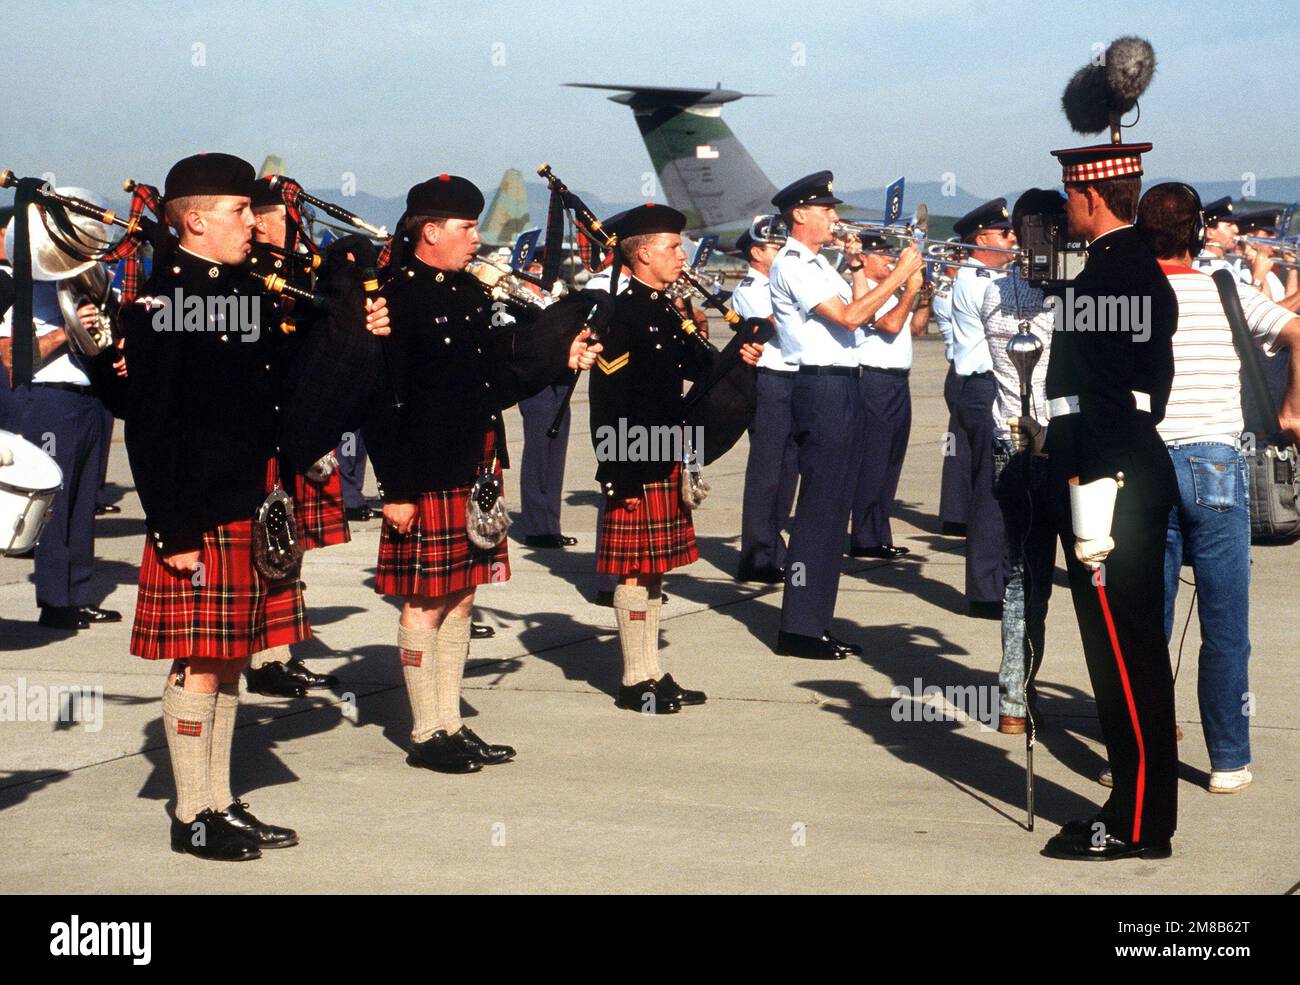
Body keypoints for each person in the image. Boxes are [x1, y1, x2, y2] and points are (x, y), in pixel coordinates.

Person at [89, 153, 333, 860]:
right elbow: (152, 425)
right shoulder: (167, 304)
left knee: (229, 659)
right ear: (195, 220)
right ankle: (193, 811)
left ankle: (220, 799)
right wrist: (173, 528)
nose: (253, 225)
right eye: (238, 212)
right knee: (199, 662)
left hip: (246, 501)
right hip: (197, 509)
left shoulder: (247, 292)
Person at [366, 174, 599, 769]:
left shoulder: (467, 293)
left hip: (472, 463)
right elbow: (381, 399)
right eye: (468, 228)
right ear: (432, 230)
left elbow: (494, 377)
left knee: (462, 598)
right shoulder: (394, 296)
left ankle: (450, 721)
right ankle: (424, 734)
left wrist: (559, 356)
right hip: (423, 470)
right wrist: (396, 488)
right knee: (424, 602)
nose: (477, 238)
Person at [1038, 140, 1179, 861]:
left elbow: (1088, 394)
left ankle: (1140, 823)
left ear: (1091, 197)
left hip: (1107, 477)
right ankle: (1127, 800)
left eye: (1070, 196)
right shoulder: (1136, 269)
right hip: (1126, 464)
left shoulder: (1105, 278)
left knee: (1125, 655)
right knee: (1121, 650)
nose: (1066, 209)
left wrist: (1072, 470)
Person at [1135, 182, 1300, 793]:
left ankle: (1143, 747)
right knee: (1226, 623)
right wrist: (1291, 413)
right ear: (1199, 234)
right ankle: (1228, 757)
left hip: (1147, 460)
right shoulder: (1224, 289)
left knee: (1146, 620)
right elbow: (1298, 332)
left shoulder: (1127, 296)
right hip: (1218, 462)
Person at [589, 203, 762, 711]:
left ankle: (651, 671)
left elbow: (696, 368)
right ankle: (631, 679)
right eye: (671, 246)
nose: (680, 253)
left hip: (666, 448)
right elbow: (610, 400)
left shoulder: (665, 306)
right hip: (634, 455)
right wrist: (617, 469)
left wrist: (738, 353)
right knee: (633, 570)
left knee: (654, 570)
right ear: (642, 252)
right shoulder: (619, 313)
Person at [767, 171, 922, 659]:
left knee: (834, 511)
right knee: (819, 510)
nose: (835, 216)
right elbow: (851, 318)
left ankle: (814, 620)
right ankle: (800, 627)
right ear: (800, 214)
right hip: (822, 385)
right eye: (827, 210)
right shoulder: (794, 263)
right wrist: (899, 276)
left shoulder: (818, 263)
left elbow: (864, 311)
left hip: (844, 384)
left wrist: (858, 265)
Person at [242, 176, 343, 698]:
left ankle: (279, 650)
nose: (297, 225)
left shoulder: (300, 269)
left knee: (287, 545)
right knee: (266, 542)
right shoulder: (249, 275)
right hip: (263, 426)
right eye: (287, 216)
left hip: (294, 422)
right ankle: (262, 659)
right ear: (257, 220)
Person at [1, 191, 120, 630]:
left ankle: (80, 592)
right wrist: (67, 334)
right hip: (50, 401)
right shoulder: (22, 291)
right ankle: (55, 600)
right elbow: (13, 357)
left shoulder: (86, 282)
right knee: (58, 502)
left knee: (85, 502)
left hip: (88, 400)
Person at [982, 190, 1063, 734]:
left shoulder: (991, 294)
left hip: (1009, 437)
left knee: (1022, 574)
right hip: (1054, 442)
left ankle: (1014, 697)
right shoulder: (1071, 299)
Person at [948, 198, 1019, 619]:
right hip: (983, 387)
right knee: (990, 489)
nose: (1012, 239)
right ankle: (985, 590)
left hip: (996, 385)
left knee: (1003, 486)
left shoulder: (996, 277)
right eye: (1004, 234)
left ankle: (999, 578)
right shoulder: (978, 281)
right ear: (981, 239)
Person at [846, 234, 928, 559]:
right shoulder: (861, 291)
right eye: (880, 253)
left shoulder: (892, 292)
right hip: (874, 381)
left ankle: (880, 532)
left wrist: (921, 294)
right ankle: (864, 538)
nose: (888, 259)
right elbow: (891, 326)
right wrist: (909, 288)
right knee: (873, 460)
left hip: (898, 382)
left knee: (891, 461)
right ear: (863, 258)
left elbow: (916, 328)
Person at [733, 221, 796, 584]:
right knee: (766, 474)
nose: (782, 254)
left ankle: (774, 546)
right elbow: (764, 326)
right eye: (775, 249)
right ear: (757, 253)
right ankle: (756, 556)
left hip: (793, 378)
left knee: (788, 472)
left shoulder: (780, 284)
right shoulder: (750, 288)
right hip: (769, 382)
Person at [516, 249, 579, 551]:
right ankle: (536, 527)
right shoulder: (516, 302)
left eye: (543, 268)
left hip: (563, 380)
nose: (540, 275)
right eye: (536, 267)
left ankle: (550, 524)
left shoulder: (557, 301)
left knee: (556, 454)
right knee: (538, 453)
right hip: (536, 382)